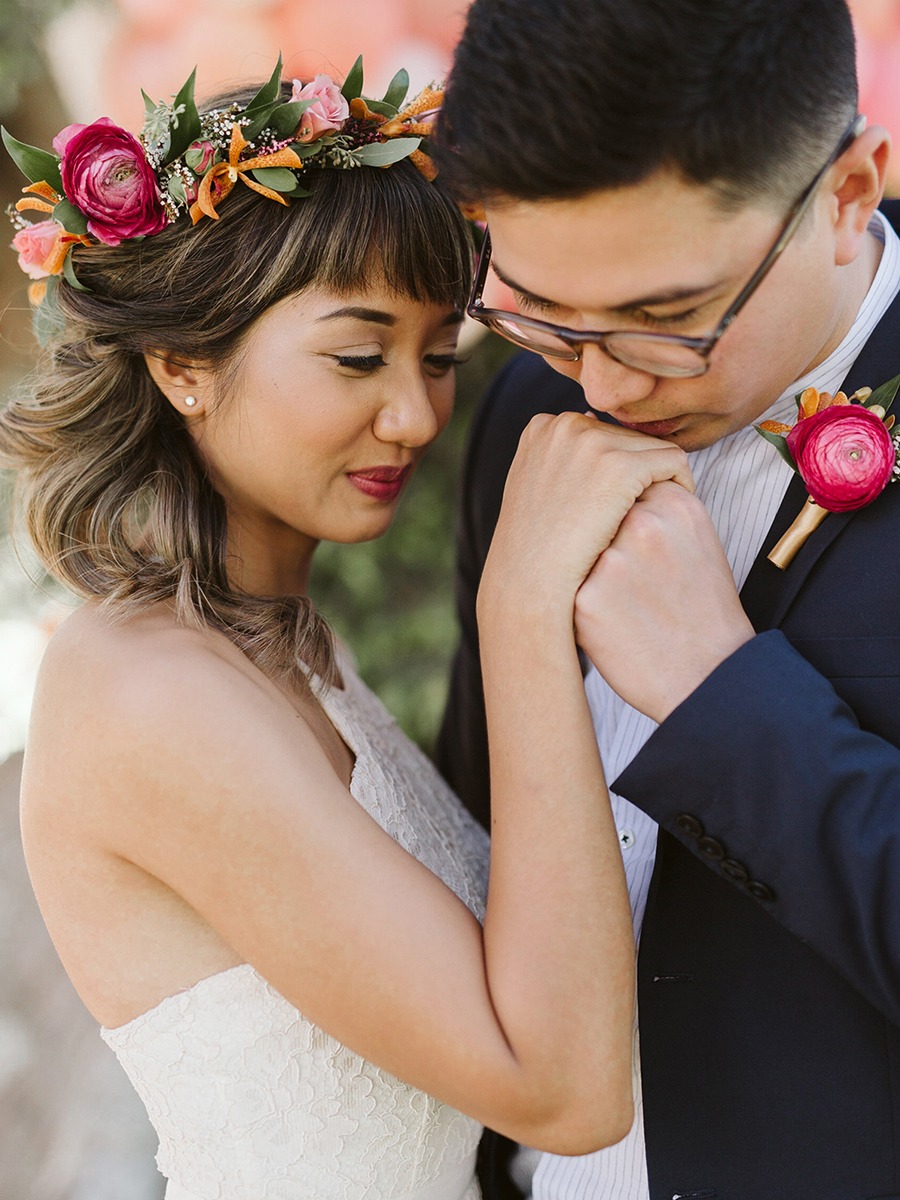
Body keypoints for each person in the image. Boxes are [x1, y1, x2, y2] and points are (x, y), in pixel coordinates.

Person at [0, 60, 641, 1200]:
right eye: (358, 356)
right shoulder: (143, 691)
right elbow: (563, 1092)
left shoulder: (288, 645)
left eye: (441, 357)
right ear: (184, 364)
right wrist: (521, 606)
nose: (417, 414)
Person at [432, 1, 900, 1198]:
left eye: (668, 324)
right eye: (537, 309)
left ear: (850, 189)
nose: (599, 382)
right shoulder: (523, 416)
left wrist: (721, 700)